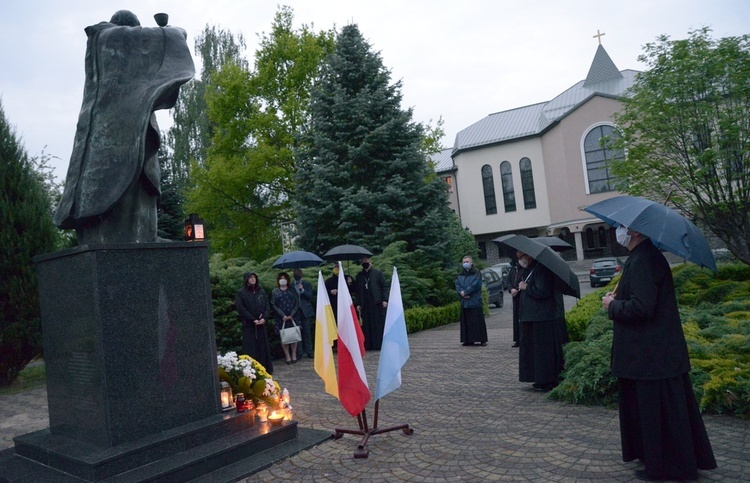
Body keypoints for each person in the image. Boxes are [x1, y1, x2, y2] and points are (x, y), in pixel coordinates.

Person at [54, 10, 195, 244]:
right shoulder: (107, 38)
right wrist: (168, 32)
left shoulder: (105, 45)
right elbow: (173, 35)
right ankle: (117, 236)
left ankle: (144, 234)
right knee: (116, 179)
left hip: (128, 123)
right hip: (111, 130)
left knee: (139, 181)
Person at [602, 226, 716, 481]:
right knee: (661, 413)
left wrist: (613, 306)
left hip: (650, 357)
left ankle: (664, 466)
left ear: (634, 232)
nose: (619, 231)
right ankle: (664, 461)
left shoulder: (644, 259)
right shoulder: (644, 256)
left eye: (622, 228)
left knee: (656, 414)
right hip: (653, 356)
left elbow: (642, 308)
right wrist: (618, 299)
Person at [516, 251, 565, 391]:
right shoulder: (532, 269)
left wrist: (527, 287)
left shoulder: (542, 269)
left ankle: (546, 380)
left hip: (542, 318)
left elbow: (543, 291)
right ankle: (538, 378)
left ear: (528, 256)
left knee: (543, 352)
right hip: (532, 317)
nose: (520, 261)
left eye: (521, 257)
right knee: (534, 351)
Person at [235, 272, 273, 374]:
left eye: (254, 277)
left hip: (261, 325)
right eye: (250, 278)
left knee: (262, 347)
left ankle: (265, 368)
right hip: (249, 326)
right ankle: (251, 370)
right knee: (251, 348)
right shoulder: (241, 293)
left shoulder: (261, 291)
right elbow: (241, 308)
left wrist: (264, 318)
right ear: (246, 279)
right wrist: (252, 319)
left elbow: (267, 306)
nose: (253, 279)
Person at [355, 256, 388, 350]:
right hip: (365, 304)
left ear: (370, 262)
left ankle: (379, 345)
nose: (364, 262)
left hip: (376, 303)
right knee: (366, 325)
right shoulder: (359, 276)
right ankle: (368, 345)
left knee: (377, 324)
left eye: (366, 260)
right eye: (362, 261)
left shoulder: (377, 273)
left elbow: (384, 287)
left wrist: (385, 299)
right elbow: (357, 291)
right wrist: (358, 303)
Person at [455, 256, 488, 346]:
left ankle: (481, 340)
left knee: (477, 321)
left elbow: (476, 285)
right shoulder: (460, 274)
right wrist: (461, 293)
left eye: (467, 261)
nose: (465, 263)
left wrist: (466, 292)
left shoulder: (476, 273)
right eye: (464, 262)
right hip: (464, 302)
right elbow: (457, 284)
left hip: (474, 301)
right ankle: (468, 340)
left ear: (471, 263)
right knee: (466, 322)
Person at [271, 272, 300, 365]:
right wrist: (282, 315)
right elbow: (273, 304)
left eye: (284, 278)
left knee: (293, 336)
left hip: (292, 317)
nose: (282, 280)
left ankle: (294, 354)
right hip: (281, 318)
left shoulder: (292, 290)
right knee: (284, 337)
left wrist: (292, 314)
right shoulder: (275, 291)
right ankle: (287, 355)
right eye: (281, 278)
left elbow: (297, 303)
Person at [293, 268, 315, 359]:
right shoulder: (291, 285)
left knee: (307, 332)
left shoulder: (306, 284)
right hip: (295, 312)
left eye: (299, 273)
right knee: (297, 333)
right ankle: (299, 352)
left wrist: (302, 290)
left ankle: (309, 351)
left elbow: (310, 296)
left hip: (305, 311)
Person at [504, 259, 525, 348]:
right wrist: (511, 289)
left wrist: (517, 289)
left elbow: (524, 282)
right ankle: (517, 340)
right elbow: (507, 280)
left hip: (522, 296)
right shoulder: (512, 269)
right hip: (514, 297)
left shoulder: (524, 269)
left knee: (523, 318)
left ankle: (524, 339)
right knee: (516, 319)